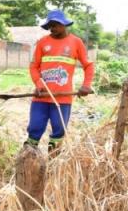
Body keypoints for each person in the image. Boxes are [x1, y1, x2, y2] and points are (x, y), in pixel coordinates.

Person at [25, 10, 95, 156]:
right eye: (50, 25)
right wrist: (39, 84)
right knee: (34, 128)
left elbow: (88, 65)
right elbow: (34, 66)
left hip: (63, 99)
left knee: (59, 130)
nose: (52, 28)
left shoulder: (76, 42)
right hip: (41, 97)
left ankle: (53, 163)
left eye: (55, 25)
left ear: (64, 24)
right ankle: (29, 161)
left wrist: (86, 85)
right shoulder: (43, 43)